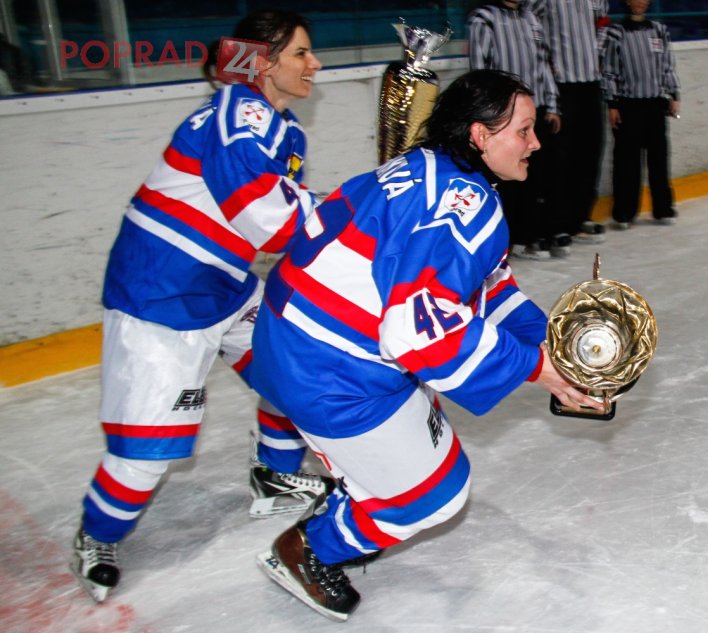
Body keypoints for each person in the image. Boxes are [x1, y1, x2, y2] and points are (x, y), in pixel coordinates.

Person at [249, 69, 606, 622]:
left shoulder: (426, 168)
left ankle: (357, 490)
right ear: (480, 135)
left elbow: (488, 289)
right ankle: (308, 550)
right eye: (523, 130)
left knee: (429, 463)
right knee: (435, 496)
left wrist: (551, 347)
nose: (535, 142)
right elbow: (417, 331)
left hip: (298, 340)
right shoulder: (468, 203)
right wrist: (539, 369)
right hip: (329, 370)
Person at [72, 10, 333, 603]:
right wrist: (357, 211)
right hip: (161, 297)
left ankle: (275, 474)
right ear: (262, 61)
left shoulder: (282, 127)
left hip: (224, 286)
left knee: (295, 364)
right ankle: (96, 534)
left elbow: (283, 213)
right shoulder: (238, 115)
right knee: (145, 454)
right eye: (300, 53)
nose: (314, 63)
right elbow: (271, 222)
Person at [467, 0, 570, 260]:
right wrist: (492, 112)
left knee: (541, 175)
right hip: (506, 114)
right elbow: (480, 71)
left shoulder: (531, 19)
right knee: (510, 178)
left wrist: (553, 105)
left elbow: (543, 65)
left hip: (537, 108)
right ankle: (515, 238)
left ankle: (538, 232)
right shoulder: (484, 18)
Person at [523, 0, 610, 245]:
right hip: (561, 84)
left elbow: (603, 22)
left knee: (590, 151)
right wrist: (547, 59)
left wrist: (597, 53)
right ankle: (558, 223)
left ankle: (580, 217)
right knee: (561, 158)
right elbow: (528, 21)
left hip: (590, 82)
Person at [602, 0, 680, 227]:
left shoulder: (659, 30)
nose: (640, 2)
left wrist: (673, 93)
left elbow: (667, 65)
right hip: (629, 105)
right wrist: (612, 103)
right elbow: (609, 71)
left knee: (659, 159)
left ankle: (663, 209)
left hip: (655, 104)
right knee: (627, 162)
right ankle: (624, 213)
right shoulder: (617, 33)